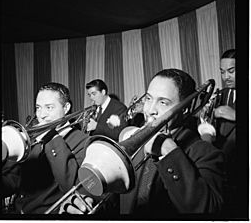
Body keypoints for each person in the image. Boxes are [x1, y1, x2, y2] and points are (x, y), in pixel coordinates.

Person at [60, 69, 225, 218]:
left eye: (163, 102)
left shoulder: (206, 152)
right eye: (148, 98)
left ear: (185, 109)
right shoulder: (133, 146)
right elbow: (117, 201)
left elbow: (208, 210)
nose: (150, 110)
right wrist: (90, 206)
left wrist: (168, 150)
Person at [2, 82, 89, 214]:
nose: (41, 115)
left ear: (66, 108)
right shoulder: (31, 139)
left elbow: (71, 188)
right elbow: (14, 180)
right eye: (38, 108)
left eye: (49, 108)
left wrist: (52, 138)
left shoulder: (82, 141)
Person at [199, 49, 236, 214]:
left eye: (231, 71)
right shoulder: (220, 94)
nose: (225, 76)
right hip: (223, 164)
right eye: (222, 72)